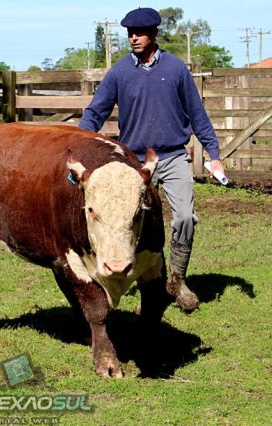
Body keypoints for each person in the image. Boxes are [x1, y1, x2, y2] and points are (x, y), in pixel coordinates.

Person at [79, 7, 225, 313]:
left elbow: (197, 115)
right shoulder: (119, 72)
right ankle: (143, 281)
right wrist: (79, 144)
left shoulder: (176, 69)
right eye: (130, 33)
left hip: (172, 156)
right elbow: (95, 112)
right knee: (131, 221)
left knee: (185, 217)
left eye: (140, 32)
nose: (133, 38)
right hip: (133, 162)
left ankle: (177, 280)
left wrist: (214, 156)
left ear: (155, 33)